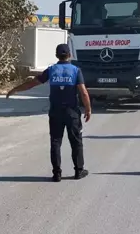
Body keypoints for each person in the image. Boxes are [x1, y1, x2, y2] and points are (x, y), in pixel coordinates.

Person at [6, 43, 92, 182]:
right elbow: (83, 92)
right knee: (76, 142)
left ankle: (57, 174)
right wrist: (88, 109)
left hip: (55, 111)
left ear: (57, 56)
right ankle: (78, 171)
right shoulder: (76, 70)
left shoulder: (51, 70)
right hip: (72, 112)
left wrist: (15, 89)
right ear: (69, 55)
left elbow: (32, 83)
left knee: (56, 142)